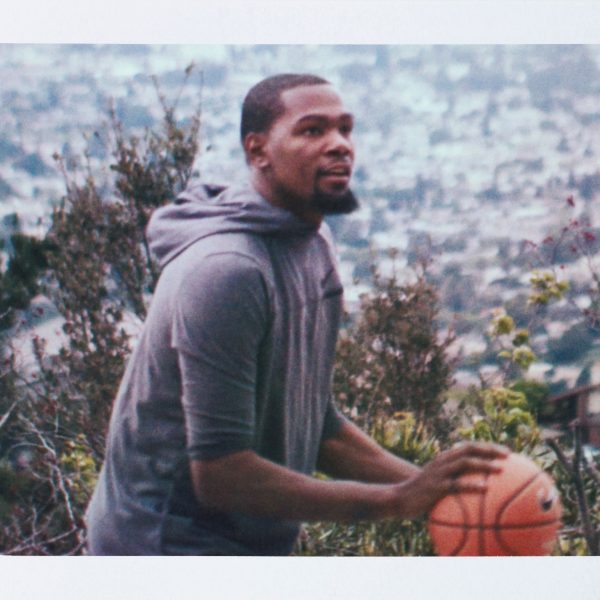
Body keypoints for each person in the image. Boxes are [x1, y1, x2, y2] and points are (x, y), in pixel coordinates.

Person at [85, 73, 507, 555]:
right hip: (161, 547)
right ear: (258, 150)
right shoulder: (227, 271)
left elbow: (319, 426)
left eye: (345, 129)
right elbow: (222, 475)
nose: (339, 144)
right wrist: (396, 500)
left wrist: (438, 494)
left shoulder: (312, 243)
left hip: (243, 540)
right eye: (312, 130)